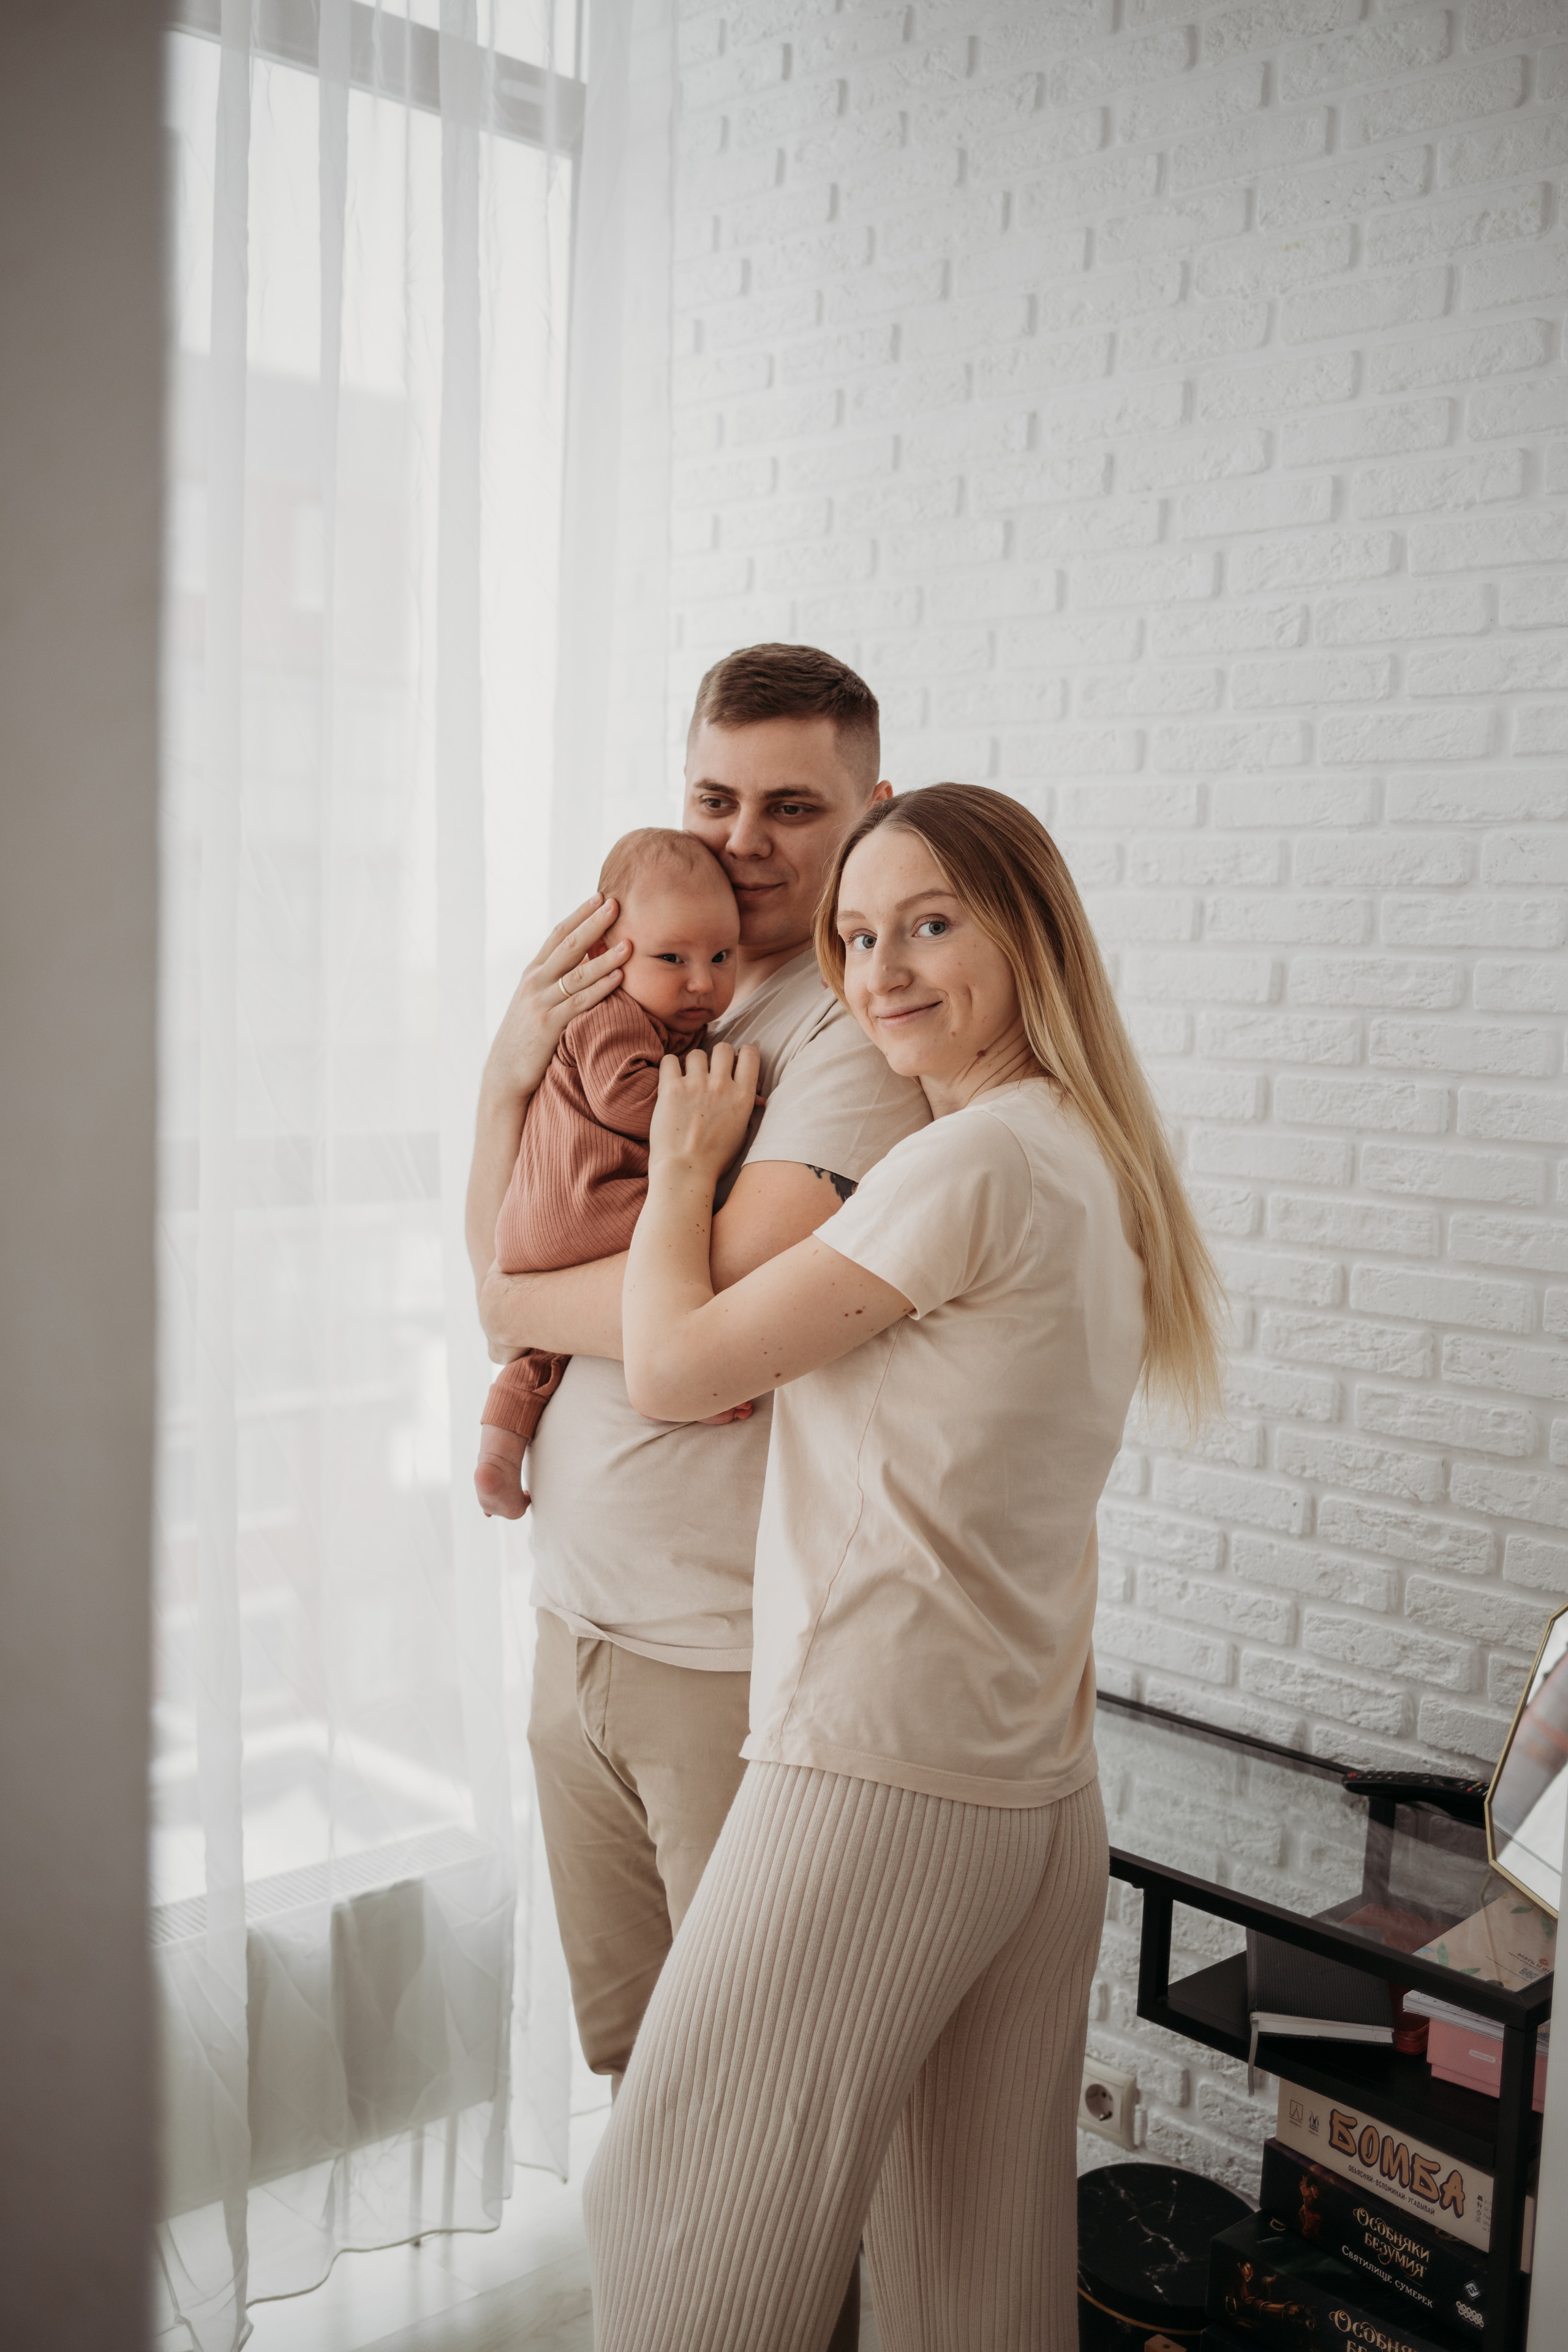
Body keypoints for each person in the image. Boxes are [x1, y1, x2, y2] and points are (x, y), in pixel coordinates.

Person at [585, 783, 1225, 2352]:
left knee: (672, 2215)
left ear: (1026, 932)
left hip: (877, 1771)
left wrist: (682, 1164)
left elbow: (667, 1366)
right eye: (857, 936)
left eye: (927, 924)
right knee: (972, 2278)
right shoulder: (1086, 1154)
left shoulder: (968, 1166)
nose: (880, 970)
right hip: (1032, 1794)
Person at [464, 648, 929, 2113]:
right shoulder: (663, 992)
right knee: (635, 2071)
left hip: (720, 1655)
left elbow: (705, 1307)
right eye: (713, 799)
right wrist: (504, 1071)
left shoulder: (849, 1034)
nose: (741, 841)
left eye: (791, 806)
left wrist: (513, 1302)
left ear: (873, 808)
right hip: (575, 1624)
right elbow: (514, 1239)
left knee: (744, 2096)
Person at [473, 827, 747, 1521]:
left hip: (540, 1231)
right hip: (585, 1204)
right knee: (683, 1257)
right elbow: (623, 1098)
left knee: (544, 1349)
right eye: (672, 958)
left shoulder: (662, 1015)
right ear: (604, 952)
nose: (702, 981)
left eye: (722, 957)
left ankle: (498, 1452)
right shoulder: (609, 1013)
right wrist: (727, 1107)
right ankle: (683, 1386)